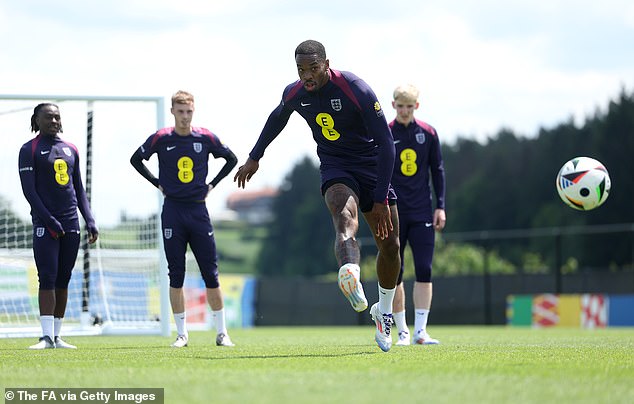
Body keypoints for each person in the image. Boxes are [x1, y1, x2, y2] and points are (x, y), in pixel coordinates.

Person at [234, 40, 401, 352]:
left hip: (373, 166)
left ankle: (384, 311)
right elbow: (277, 117)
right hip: (336, 166)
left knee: (390, 247)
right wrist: (255, 157)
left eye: (313, 68)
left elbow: (388, 144)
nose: (306, 75)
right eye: (301, 69)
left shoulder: (356, 89)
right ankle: (350, 271)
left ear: (327, 64)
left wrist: (379, 200)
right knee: (344, 216)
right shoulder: (296, 92)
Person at [130, 90, 238, 348]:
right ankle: (182, 334)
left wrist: (212, 185)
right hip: (173, 211)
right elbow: (136, 159)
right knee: (175, 273)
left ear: (194, 111)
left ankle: (222, 333)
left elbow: (231, 158)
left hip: (198, 210)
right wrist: (157, 183)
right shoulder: (161, 138)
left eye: (189, 111)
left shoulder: (205, 137)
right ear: (172, 112)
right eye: (180, 111)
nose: (185, 116)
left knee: (210, 273)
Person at [18, 103, 99, 350]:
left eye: (57, 117)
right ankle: (44, 337)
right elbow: (29, 191)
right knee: (48, 277)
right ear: (37, 120)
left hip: (70, 225)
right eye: (48, 117)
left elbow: (79, 190)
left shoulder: (71, 148)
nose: (54, 121)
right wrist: (49, 221)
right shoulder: (29, 149)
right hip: (46, 224)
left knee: (64, 278)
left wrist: (90, 219)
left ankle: (56, 336)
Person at [389, 84, 446, 346]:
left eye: (409, 107)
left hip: (422, 209)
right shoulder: (386, 133)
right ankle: (402, 331)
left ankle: (421, 331)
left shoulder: (429, 132)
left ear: (416, 107)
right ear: (393, 106)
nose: (404, 111)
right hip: (394, 212)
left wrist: (440, 206)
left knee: (424, 269)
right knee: (396, 272)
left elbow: (438, 170)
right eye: (400, 106)